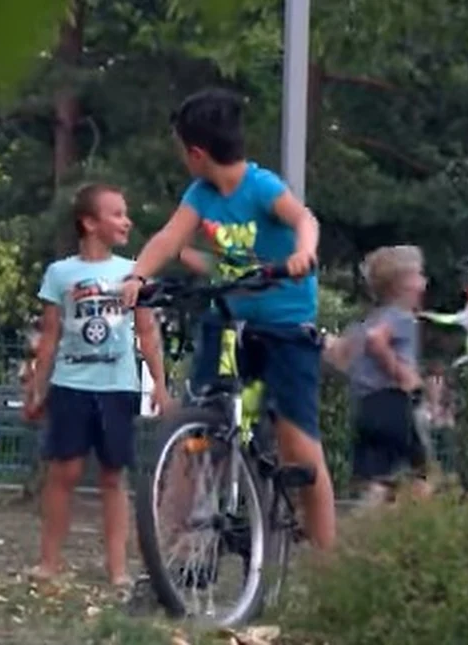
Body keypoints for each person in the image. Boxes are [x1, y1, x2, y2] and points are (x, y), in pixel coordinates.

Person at [118, 87, 334, 550]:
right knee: (193, 438)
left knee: (299, 447)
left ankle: (329, 567)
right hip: (229, 322)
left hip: (283, 327)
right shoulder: (200, 193)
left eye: (181, 151)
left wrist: (304, 253)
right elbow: (169, 238)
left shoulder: (262, 187)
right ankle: (168, 560)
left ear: (196, 152)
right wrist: (137, 275)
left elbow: (305, 219)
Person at [24, 183, 172, 586]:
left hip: (118, 387)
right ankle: (49, 562)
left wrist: (158, 383)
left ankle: (118, 568)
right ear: (89, 222)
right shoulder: (60, 273)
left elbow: (146, 332)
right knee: (63, 473)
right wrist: (37, 387)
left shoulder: (132, 271)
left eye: (126, 213)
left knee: (113, 476)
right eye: (117, 214)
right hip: (70, 386)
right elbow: (50, 335)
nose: (127, 221)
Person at [345, 245, 432, 506]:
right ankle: (423, 527)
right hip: (394, 403)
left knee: (377, 479)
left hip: (366, 405)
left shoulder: (369, 319)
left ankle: (365, 527)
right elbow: (376, 341)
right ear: (403, 285)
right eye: (419, 275)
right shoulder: (401, 317)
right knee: (422, 474)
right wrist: (402, 373)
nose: (424, 282)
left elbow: (348, 351)